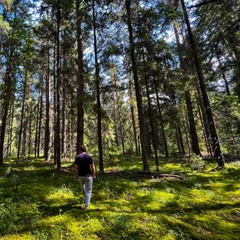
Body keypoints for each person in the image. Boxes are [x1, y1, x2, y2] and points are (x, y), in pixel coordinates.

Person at [74, 145, 96, 210]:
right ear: (85, 150)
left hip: (80, 176)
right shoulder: (89, 157)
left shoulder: (78, 157)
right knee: (88, 191)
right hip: (88, 176)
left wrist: (75, 175)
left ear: (80, 150)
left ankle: (86, 203)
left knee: (83, 189)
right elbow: (93, 167)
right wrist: (94, 175)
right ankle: (86, 205)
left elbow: (75, 167)